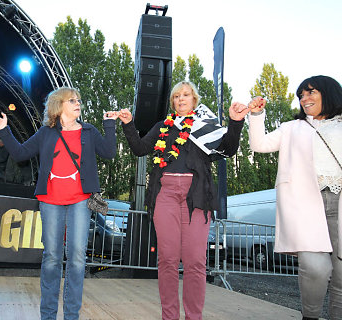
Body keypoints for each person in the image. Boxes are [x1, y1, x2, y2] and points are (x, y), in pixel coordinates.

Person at [118, 81, 249, 320]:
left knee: (195, 262)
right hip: (165, 194)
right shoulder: (163, 126)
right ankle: (169, 316)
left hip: (196, 197)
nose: (181, 99)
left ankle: (193, 317)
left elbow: (228, 149)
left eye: (186, 95)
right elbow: (139, 148)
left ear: (194, 100)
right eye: (176, 96)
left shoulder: (205, 127)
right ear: (173, 102)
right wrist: (128, 124)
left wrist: (235, 122)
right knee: (167, 259)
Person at [0, 87, 117, 320]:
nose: (78, 103)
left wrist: (109, 124)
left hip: (81, 200)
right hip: (50, 201)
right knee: (52, 257)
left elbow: (109, 152)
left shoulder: (89, 131)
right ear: (58, 106)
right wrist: (4, 131)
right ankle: (47, 315)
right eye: (72, 100)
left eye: (78, 99)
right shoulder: (46, 133)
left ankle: (71, 316)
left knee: (77, 256)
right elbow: (19, 154)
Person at [248, 75, 342, 320]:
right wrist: (256, 116)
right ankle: (309, 316)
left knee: (341, 277)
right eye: (301, 95)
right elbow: (259, 144)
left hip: (339, 204)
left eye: (311, 92)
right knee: (316, 268)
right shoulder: (292, 128)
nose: (304, 99)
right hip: (305, 205)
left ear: (329, 93)